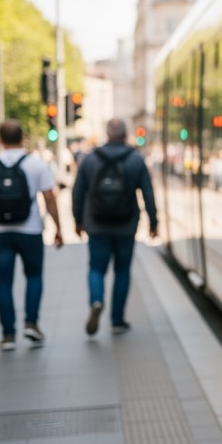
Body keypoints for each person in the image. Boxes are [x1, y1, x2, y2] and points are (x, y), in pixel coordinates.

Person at [0, 120, 64, 351]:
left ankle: (8, 335)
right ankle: (31, 323)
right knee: (34, 276)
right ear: (22, 138)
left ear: (0, 140)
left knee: (3, 283)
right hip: (30, 230)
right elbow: (49, 197)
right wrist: (58, 228)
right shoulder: (35, 164)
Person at [72, 118, 158, 336]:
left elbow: (78, 192)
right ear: (126, 134)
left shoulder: (90, 160)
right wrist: (154, 223)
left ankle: (97, 300)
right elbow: (148, 193)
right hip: (126, 225)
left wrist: (78, 221)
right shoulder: (136, 160)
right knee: (122, 271)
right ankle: (117, 320)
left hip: (97, 224)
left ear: (107, 133)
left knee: (96, 268)